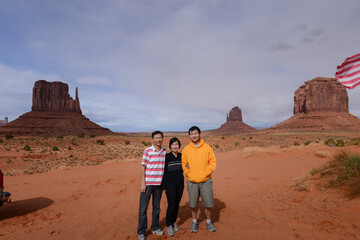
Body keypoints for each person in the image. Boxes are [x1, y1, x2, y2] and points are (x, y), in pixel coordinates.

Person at [182, 126, 217, 233]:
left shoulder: (207, 147)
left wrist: (205, 173)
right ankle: (194, 221)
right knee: (193, 204)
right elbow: (184, 164)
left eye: (196, 133)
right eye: (192, 134)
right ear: (189, 135)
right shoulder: (186, 149)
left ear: (199, 134)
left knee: (208, 203)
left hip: (206, 181)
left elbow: (213, 162)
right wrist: (189, 174)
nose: (194, 135)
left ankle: (208, 222)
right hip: (192, 181)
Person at [137, 131, 166, 240]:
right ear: (153, 139)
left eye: (160, 138)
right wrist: (143, 183)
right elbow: (143, 167)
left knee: (156, 208)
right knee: (143, 209)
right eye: (156, 138)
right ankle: (141, 231)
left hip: (159, 185)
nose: (158, 140)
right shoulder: (148, 151)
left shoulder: (164, 151)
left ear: (162, 138)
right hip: (148, 184)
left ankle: (155, 227)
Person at [162, 137, 184, 237]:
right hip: (170, 184)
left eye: (176, 144)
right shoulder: (167, 157)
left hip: (180, 184)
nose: (175, 146)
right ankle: (169, 224)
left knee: (177, 204)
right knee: (171, 204)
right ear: (170, 146)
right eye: (173, 144)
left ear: (179, 145)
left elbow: (186, 167)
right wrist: (164, 186)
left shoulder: (182, 156)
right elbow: (164, 172)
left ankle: (174, 221)